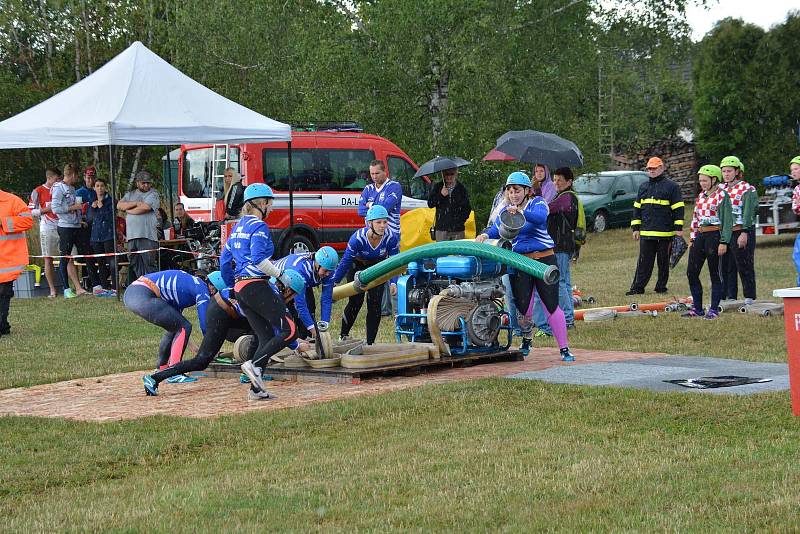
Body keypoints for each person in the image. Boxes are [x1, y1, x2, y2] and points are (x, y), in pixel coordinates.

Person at [141, 270, 311, 397]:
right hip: (220, 312)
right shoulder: (272, 294)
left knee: (262, 334)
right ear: (288, 290)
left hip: (231, 310)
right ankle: (155, 378)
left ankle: (252, 380)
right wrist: (297, 345)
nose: (293, 300)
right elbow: (281, 329)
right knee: (202, 360)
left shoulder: (270, 289)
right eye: (294, 295)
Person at [476, 172, 576, 361]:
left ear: (527, 191)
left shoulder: (537, 203)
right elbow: (496, 228)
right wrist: (485, 235)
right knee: (523, 307)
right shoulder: (506, 210)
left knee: (551, 304)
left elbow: (539, 218)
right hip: (520, 262)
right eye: (510, 191)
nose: (514, 195)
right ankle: (527, 339)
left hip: (544, 261)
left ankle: (564, 348)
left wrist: (521, 212)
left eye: (517, 191)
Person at [220, 183, 291, 400]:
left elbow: (224, 261)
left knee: (265, 336)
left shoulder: (238, 227)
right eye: (270, 203)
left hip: (241, 288)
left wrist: (233, 286)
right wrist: (280, 275)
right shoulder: (259, 227)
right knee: (289, 330)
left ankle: (256, 390)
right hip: (255, 285)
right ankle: (255, 365)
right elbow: (260, 260)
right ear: (261, 203)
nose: (271, 207)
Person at [124, 269, 214, 382]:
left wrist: (196, 349)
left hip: (134, 292)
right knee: (184, 327)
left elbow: (176, 327)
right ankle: (173, 373)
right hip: (141, 293)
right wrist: (211, 348)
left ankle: (163, 368)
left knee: (175, 327)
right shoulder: (202, 289)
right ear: (213, 288)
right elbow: (205, 325)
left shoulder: (185, 289)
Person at [333, 205, 400, 344]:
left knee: (375, 304)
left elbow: (395, 261)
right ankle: (343, 335)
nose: (383, 226)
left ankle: (370, 342)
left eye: (385, 222)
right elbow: (345, 261)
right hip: (357, 266)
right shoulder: (357, 238)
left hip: (377, 268)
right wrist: (334, 282)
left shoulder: (391, 238)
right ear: (369, 223)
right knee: (355, 302)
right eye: (378, 222)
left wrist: (394, 281)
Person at [532, 167, 582, 334]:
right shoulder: (564, 197)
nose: (556, 183)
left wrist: (537, 190)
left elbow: (546, 209)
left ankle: (567, 319)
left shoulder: (566, 198)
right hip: (565, 245)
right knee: (565, 283)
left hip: (560, 245)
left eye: (560, 180)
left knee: (560, 283)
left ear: (569, 182)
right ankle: (569, 319)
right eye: (554, 179)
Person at [627, 157, 684, 295]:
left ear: (662, 168)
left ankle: (661, 287)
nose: (651, 171)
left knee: (663, 262)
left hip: (665, 233)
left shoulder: (672, 187)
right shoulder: (643, 187)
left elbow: (678, 209)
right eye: (649, 168)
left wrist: (678, 230)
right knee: (643, 262)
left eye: (654, 168)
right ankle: (637, 288)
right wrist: (635, 228)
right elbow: (637, 209)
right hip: (646, 232)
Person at [684, 165, 732, 319]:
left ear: (714, 180)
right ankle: (697, 309)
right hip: (700, 236)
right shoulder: (701, 196)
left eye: (705, 180)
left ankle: (713, 310)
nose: (702, 183)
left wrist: (724, 242)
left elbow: (727, 220)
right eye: (700, 181)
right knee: (691, 272)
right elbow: (695, 218)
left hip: (715, 236)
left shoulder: (722, 196)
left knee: (715, 274)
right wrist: (692, 237)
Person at [273, 246, 339, 341]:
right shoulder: (301, 270)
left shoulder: (329, 270)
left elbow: (326, 299)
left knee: (311, 307)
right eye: (325, 271)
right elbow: (300, 305)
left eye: (330, 271)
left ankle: (306, 339)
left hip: (302, 281)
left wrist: (324, 325)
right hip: (283, 281)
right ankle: (294, 340)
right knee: (290, 313)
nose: (328, 274)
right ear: (317, 264)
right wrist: (313, 330)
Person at [719, 155, 757, 304]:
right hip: (725, 233)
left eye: (729, 171)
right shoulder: (720, 189)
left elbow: (749, 212)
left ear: (737, 171)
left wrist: (744, 232)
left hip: (741, 231)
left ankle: (749, 297)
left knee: (744, 264)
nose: (726, 174)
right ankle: (730, 296)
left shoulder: (747, 189)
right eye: (724, 171)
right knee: (726, 265)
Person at [51, 164, 91, 297]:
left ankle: (92, 285)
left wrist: (79, 219)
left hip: (76, 226)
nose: (77, 178)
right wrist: (72, 207)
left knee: (85, 252)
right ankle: (66, 289)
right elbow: (55, 208)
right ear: (72, 174)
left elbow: (75, 206)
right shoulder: (58, 188)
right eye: (77, 175)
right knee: (65, 256)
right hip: (65, 227)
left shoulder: (72, 188)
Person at [0, 187, 33, 338]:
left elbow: (27, 220)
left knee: (3, 294)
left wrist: (4, 223)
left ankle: (2, 325)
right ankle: (3, 324)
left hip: (7, 261)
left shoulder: (12, 201)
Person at [118, 170, 160, 278]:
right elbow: (119, 205)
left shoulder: (153, 194)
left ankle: (154, 287)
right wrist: (136, 203)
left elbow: (145, 208)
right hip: (132, 236)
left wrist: (129, 210)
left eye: (148, 183)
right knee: (134, 262)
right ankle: (142, 286)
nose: (146, 185)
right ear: (137, 183)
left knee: (149, 263)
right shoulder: (130, 194)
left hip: (147, 236)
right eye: (143, 183)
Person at [28, 168, 62, 298]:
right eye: (56, 179)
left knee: (68, 257)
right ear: (50, 178)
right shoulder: (38, 191)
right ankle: (52, 290)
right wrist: (46, 209)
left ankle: (70, 287)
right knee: (48, 258)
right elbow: (30, 211)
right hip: (46, 227)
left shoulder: (60, 189)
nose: (58, 182)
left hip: (62, 226)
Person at [73, 165, 102, 294]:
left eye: (92, 178)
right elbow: (76, 209)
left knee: (100, 255)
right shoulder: (80, 192)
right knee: (88, 255)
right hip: (85, 228)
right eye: (88, 178)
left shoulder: (98, 190)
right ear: (84, 178)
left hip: (98, 228)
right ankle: (91, 282)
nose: (90, 180)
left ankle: (101, 282)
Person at [87, 177, 117, 295]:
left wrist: (102, 207)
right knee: (100, 262)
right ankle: (104, 287)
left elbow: (111, 218)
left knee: (111, 261)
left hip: (108, 235)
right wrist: (93, 208)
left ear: (105, 188)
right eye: (97, 186)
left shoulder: (110, 201)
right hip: (95, 236)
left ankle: (115, 287)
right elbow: (89, 219)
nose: (100, 188)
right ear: (94, 188)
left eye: (102, 186)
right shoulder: (92, 201)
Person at [358, 160, 403, 236]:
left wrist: (370, 205)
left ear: (385, 172)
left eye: (377, 173)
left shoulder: (394, 186)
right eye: (372, 174)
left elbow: (385, 209)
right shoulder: (368, 188)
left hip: (391, 235)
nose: (374, 177)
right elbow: (361, 211)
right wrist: (379, 208)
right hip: (372, 236)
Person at [427, 166, 471, 241]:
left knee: (457, 252)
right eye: (446, 174)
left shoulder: (461, 188)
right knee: (442, 252)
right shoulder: (438, 187)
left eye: (452, 174)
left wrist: (460, 221)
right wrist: (441, 195)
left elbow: (467, 208)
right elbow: (430, 204)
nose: (449, 176)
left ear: (456, 174)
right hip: (441, 230)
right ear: (443, 174)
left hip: (458, 230)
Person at [790, 157, 800, 284]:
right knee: (797, 256)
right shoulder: (797, 189)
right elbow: (795, 208)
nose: (793, 172)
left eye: (796, 168)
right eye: (792, 170)